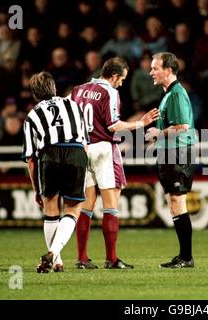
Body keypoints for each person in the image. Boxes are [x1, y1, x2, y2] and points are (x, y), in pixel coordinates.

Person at [72, 57, 159, 269]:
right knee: (111, 207)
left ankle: (82, 258)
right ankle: (111, 259)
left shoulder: (79, 90)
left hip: (83, 150)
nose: (121, 83)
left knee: (86, 208)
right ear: (113, 76)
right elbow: (113, 126)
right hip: (103, 150)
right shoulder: (110, 92)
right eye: (122, 79)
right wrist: (141, 123)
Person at [22, 71, 89, 273]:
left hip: (49, 155)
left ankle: (57, 259)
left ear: (34, 93)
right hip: (76, 152)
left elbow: (31, 158)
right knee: (73, 210)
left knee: (51, 211)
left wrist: (36, 189)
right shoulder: (74, 105)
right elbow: (85, 143)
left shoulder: (32, 115)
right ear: (54, 87)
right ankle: (54, 253)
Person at [145, 52, 197, 268]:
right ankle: (184, 256)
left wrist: (158, 134)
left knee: (177, 202)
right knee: (174, 204)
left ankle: (187, 257)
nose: (151, 72)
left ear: (168, 70)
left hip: (178, 153)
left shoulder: (176, 94)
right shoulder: (169, 93)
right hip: (170, 153)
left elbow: (182, 126)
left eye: (155, 68)